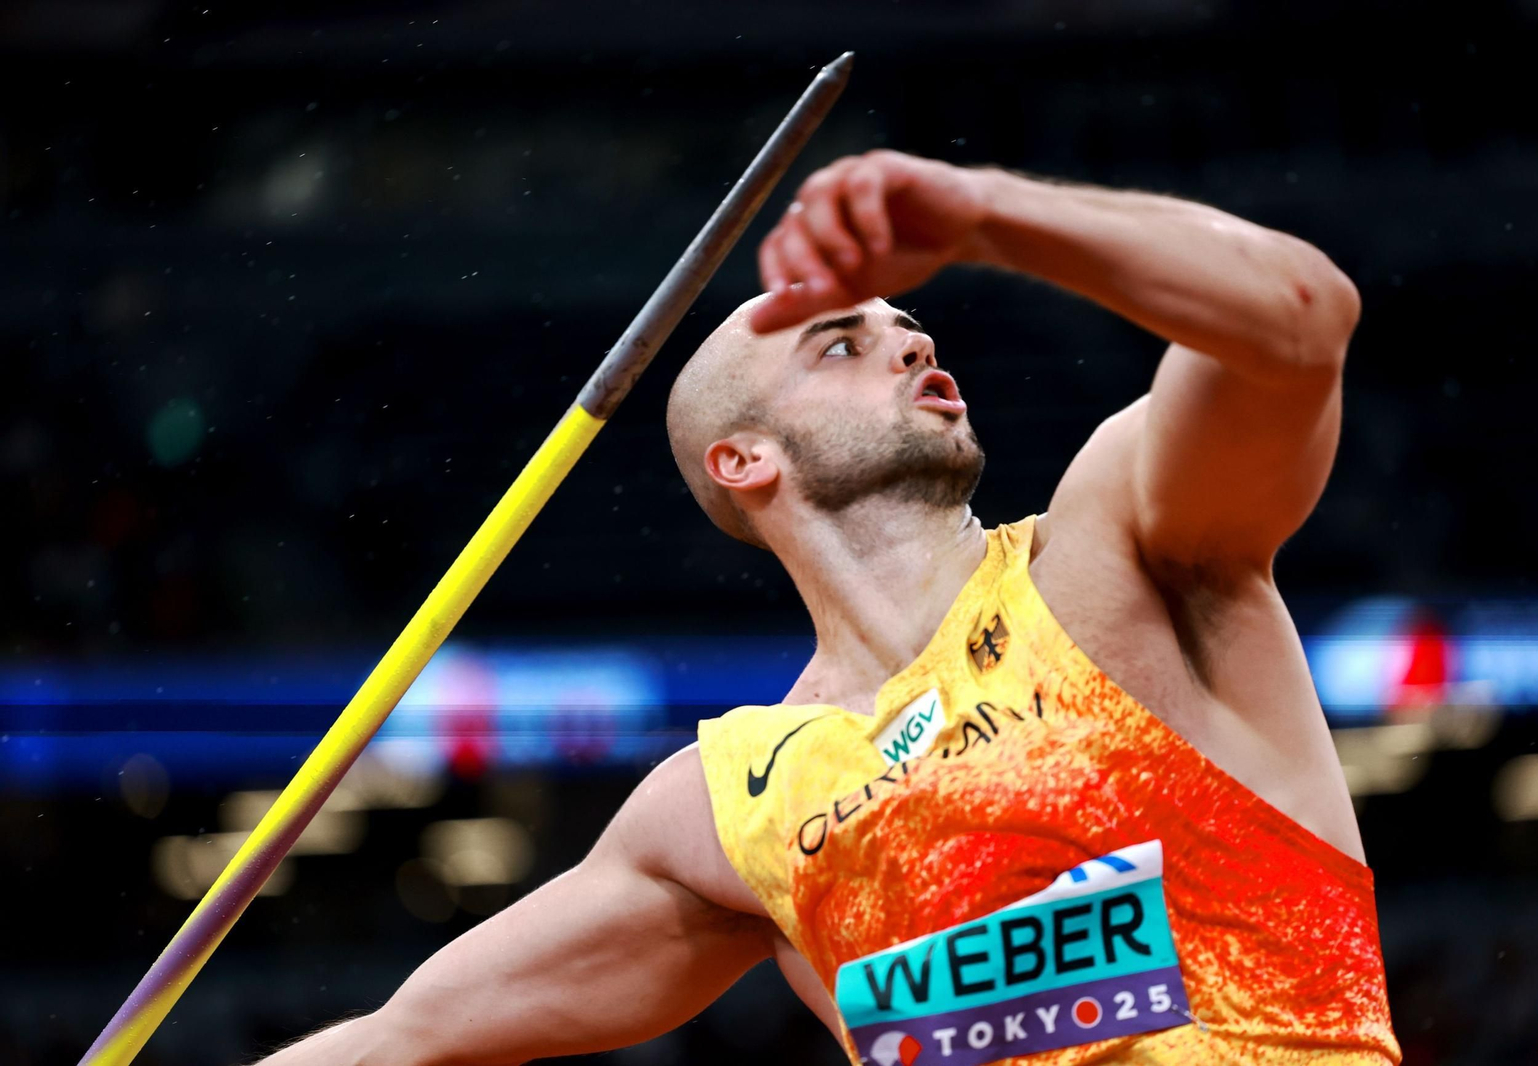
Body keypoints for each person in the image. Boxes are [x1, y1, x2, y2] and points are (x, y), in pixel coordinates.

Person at [260, 150, 1399, 1065]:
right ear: (744, 458)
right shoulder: (731, 807)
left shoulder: (1114, 555)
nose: (909, 340)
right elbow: (400, 1040)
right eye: (841, 342)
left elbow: (1304, 318)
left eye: (909, 327)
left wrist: (988, 217)